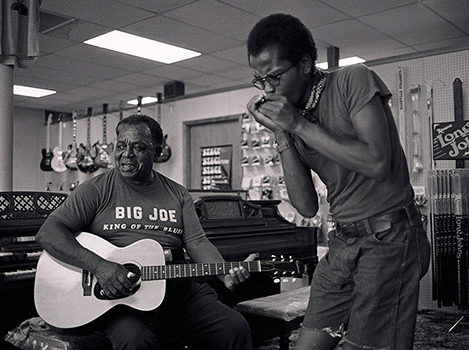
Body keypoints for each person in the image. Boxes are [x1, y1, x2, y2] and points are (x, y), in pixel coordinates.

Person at [246, 13, 431, 350]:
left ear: (304, 64)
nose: (268, 89)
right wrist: (282, 132)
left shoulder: (352, 80)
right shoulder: (293, 118)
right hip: (342, 240)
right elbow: (305, 205)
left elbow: (376, 162)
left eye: (274, 76)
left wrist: (299, 124)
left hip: (390, 237)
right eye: (259, 80)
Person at [35, 114, 254, 350]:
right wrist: (99, 267)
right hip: (122, 296)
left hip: (176, 288)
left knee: (234, 328)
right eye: (121, 146)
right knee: (135, 340)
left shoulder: (178, 194)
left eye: (138, 147)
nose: (126, 154)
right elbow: (48, 233)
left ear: (157, 152)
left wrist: (224, 275)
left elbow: (197, 242)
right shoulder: (96, 190)